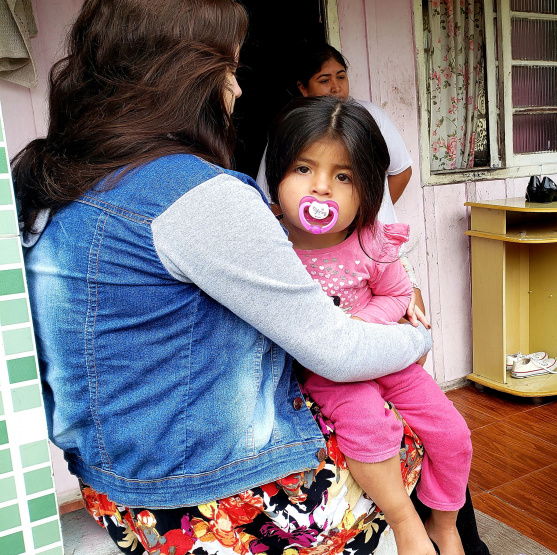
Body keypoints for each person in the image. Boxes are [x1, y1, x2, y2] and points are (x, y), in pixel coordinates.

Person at [11, 1, 486, 553]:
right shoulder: (197, 195)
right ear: (183, 78)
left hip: (112, 488)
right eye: (229, 70)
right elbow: (336, 349)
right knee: (418, 432)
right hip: (223, 495)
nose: (236, 91)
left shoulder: (44, 182)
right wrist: (418, 335)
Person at [264, 96, 471, 555]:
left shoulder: (371, 241)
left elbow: (398, 295)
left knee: (453, 434)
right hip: (327, 373)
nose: (321, 188)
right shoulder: (269, 248)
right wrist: (337, 342)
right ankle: (405, 522)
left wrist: (358, 327)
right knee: (370, 429)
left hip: (384, 357)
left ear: (368, 189)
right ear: (276, 173)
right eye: (303, 169)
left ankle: (445, 521)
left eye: (343, 176)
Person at [256, 42, 427, 324]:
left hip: (378, 260)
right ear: (303, 87)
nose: (335, 87)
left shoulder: (370, 119)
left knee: (414, 333)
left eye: (341, 76)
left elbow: (402, 171)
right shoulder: (289, 134)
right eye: (324, 80)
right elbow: (269, 202)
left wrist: (358, 214)